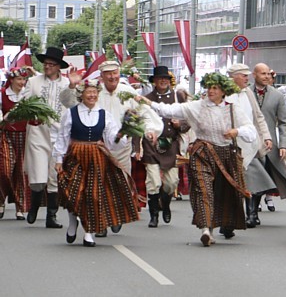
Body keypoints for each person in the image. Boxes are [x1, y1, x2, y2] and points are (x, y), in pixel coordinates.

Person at [138, 72, 257, 247]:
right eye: (209, 87)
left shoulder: (232, 108)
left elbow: (251, 131)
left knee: (225, 193)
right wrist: (149, 103)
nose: (210, 91)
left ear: (223, 91)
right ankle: (206, 230)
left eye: (215, 88)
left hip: (226, 155)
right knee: (203, 189)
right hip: (202, 152)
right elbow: (170, 110)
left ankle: (225, 224)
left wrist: (236, 132)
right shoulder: (197, 106)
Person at [63, 60, 162, 237]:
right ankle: (99, 223)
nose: (112, 77)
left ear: (119, 74)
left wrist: (150, 131)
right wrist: (72, 85)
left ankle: (115, 217)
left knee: (121, 184)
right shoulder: (93, 92)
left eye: (115, 73)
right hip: (97, 148)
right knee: (96, 186)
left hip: (121, 147)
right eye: (108, 74)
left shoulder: (128, 92)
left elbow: (144, 113)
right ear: (101, 76)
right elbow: (69, 104)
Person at [52, 80, 139, 247]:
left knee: (93, 194)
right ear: (81, 94)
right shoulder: (71, 113)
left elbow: (112, 140)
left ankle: (89, 232)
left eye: (94, 92)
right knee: (73, 191)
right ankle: (72, 222)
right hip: (76, 155)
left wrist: (123, 134)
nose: (92, 95)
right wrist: (58, 159)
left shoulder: (104, 114)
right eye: (88, 92)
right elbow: (62, 137)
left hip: (96, 157)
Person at [21, 47, 71, 228]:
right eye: (46, 64)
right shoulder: (33, 82)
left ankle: (51, 216)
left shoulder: (66, 84)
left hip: (59, 135)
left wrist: (73, 87)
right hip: (38, 133)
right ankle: (34, 205)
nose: (47, 67)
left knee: (54, 176)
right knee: (38, 175)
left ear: (59, 67)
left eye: (51, 64)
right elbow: (23, 102)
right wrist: (31, 112)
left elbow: (70, 105)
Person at [138, 66, 191, 228]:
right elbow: (138, 122)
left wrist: (179, 125)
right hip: (151, 144)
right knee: (153, 181)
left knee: (171, 182)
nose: (163, 81)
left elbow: (189, 120)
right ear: (154, 81)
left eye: (166, 79)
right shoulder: (146, 98)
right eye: (159, 78)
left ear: (169, 81)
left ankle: (166, 204)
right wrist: (136, 147)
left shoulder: (178, 97)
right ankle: (153, 215)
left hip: (170, 144)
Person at [226, 63, 275, 232]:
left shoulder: (248, 93)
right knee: (232, 183)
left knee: (257, 178)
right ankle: (230, 219)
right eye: (244, 75)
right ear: (234, 77)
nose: (248, 78)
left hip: (250, 143)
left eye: (248, 75)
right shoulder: (224, 93)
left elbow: (258, 116)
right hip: (230, 144)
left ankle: (252, 213)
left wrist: (266, 136)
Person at [251, 63, 286, 217]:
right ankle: (251, 213)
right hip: (247, 143)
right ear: (254, 75)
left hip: (268, 145)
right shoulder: (244, 93)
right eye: (263, 74)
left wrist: (284, 145)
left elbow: (284, 122)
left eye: (268, 74)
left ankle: (253, 212)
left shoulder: (277, 96)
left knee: (262, 176)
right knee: (252, 176)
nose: (266, 77)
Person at [0, 67, 32, 220]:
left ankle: (20, 207)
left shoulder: (28, 94)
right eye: (19, 79)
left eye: (24, 79)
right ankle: (1, 201)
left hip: (25, 135)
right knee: (5, 170)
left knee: (20, 171)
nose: (22, 82)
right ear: (11, 80)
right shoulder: (3, 94)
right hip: (7, 135)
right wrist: (5, 118)